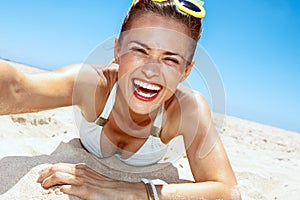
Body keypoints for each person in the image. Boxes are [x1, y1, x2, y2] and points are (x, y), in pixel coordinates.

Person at [0, 0, 241, 199]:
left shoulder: (188, 108)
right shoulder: (94, 84)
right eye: (139, 50)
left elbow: (228, 191)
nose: (151, 70)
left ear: (186, 71)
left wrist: (134, 191)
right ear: (118, 50)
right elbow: (17, 89)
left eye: (171, 59)